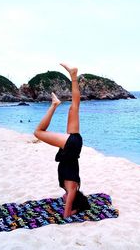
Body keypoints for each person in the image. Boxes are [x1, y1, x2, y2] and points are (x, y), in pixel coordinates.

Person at [34, 63, 90, 218]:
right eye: (67, 201)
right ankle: (54, 105)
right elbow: (66, 215)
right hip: (72, 145)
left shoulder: (71, 186)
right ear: (74, 200)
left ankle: (73, 76)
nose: (63, 199)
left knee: (74, 107)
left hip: (74, 143)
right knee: (38, 132)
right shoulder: (72, 188)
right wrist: (73, 210)